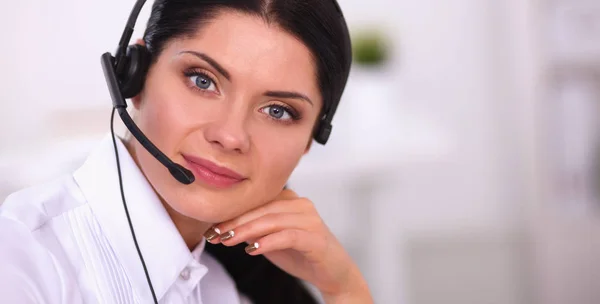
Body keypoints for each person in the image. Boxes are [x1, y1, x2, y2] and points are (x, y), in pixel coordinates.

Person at [0, 0, 373, 303]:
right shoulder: (22, 259)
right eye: (202, 80)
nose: (230, 136)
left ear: (310, 139)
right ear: (133, 74)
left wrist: (344, 288)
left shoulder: (226, 286)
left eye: (277, 111)